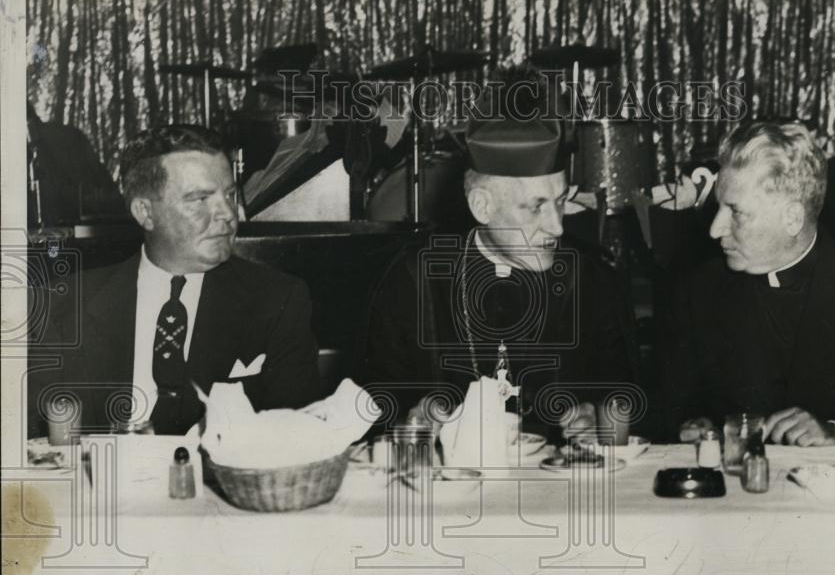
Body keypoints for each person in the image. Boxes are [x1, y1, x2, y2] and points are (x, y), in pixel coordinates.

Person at [357, 79, 641, 443]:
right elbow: (371, 410)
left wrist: (598, 421)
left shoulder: (594, 278)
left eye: (559, 201)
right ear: (482, 207)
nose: (557, 226)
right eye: (536, 207)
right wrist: (414, 419)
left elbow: (623, 399)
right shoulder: (411, 282)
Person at [28, 125, 321, 437]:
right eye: (200, 198)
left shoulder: (278, 300)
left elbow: (295, 440)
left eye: (230, 194)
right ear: (145, 212)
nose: (229, 213)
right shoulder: (66, 306)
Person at [657, 121, 835, 446]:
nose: (716, 229)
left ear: (791, 218)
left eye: (736, 212)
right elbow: (664, 411)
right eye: (719, 207)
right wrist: (686, 426)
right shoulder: (697, 291)